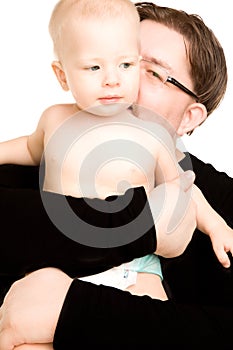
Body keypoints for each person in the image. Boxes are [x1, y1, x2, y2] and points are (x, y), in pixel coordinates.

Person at [0, 1, 233, 348]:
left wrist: (70, 311)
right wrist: (140, 221)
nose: (117, 80)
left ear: (189, 117)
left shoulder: (218, 195)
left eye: (149, 71)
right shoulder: (55, 137)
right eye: (99, 60)